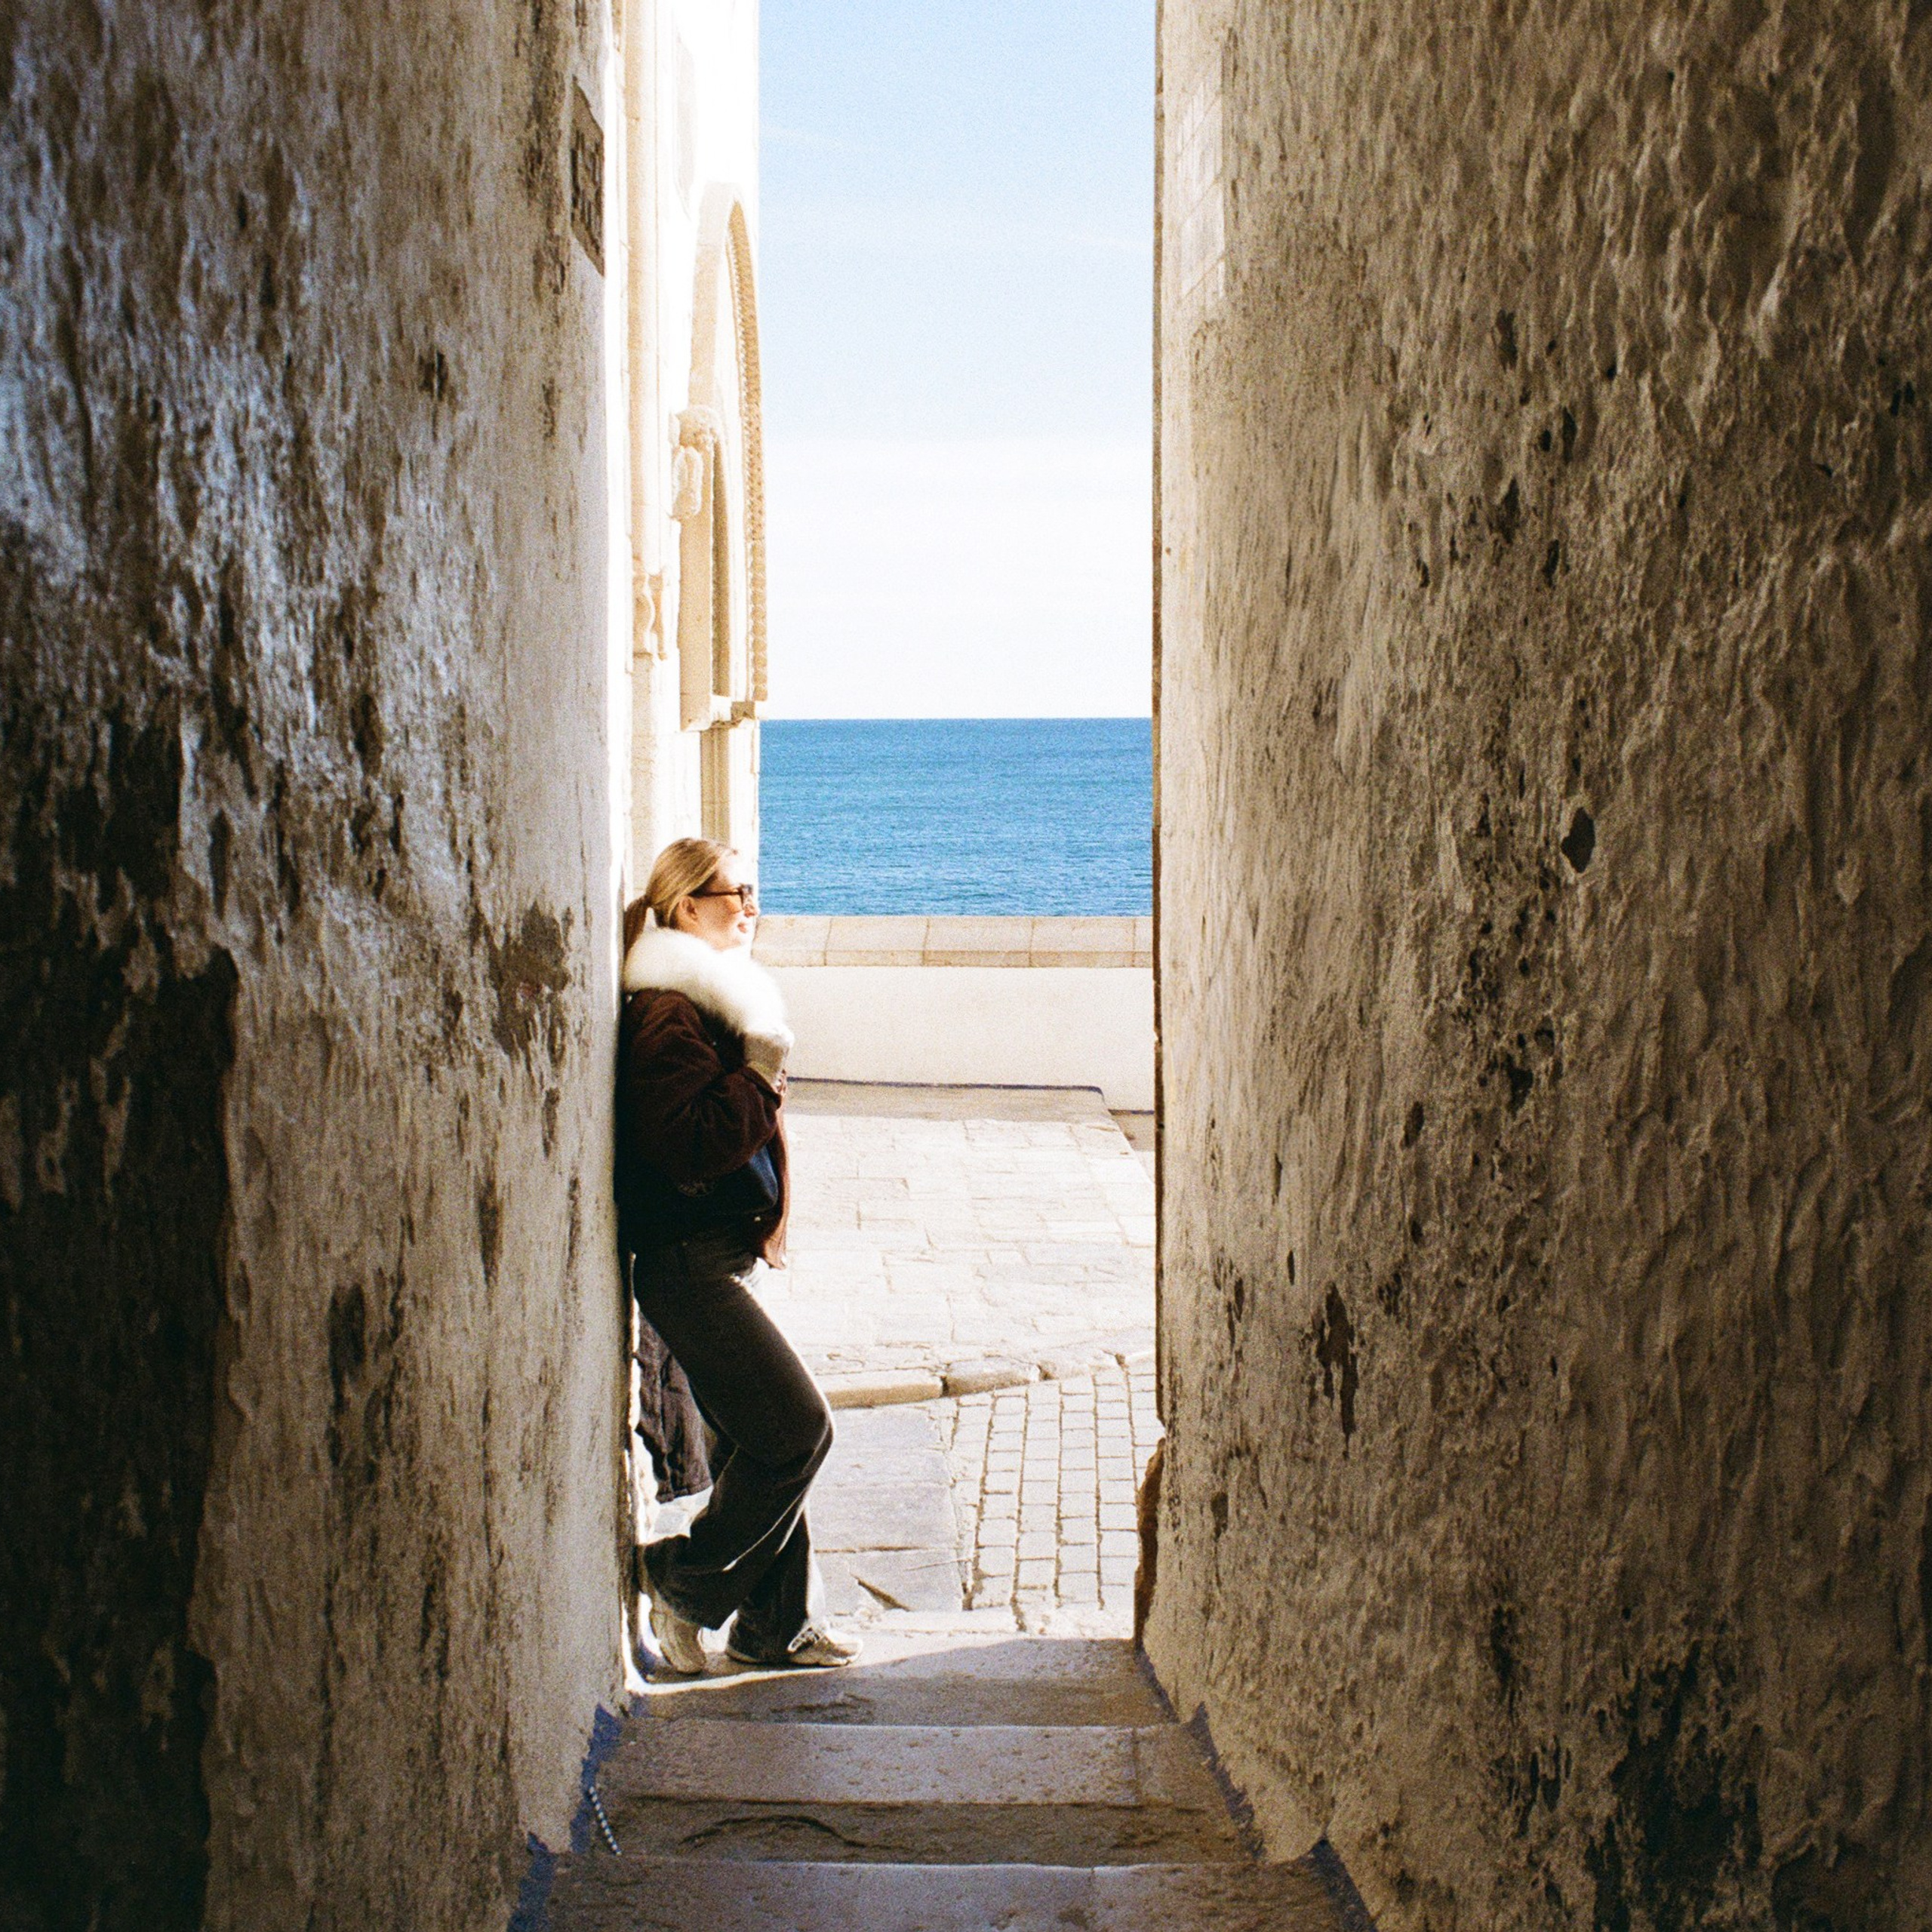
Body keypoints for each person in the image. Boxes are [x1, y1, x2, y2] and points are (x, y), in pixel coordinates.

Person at [616, 836, 858, 1672]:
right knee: (796, 1431)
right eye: (736, 892)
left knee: (757, 1445)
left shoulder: (699, 999)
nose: (751, 906)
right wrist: (758, 1075)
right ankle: (680, 1579)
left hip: (711, 1259)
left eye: (754, 891)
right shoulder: (668, 1011)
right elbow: (688, 1144)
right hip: (688, 1267)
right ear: (688, 906)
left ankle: (774, 1624)